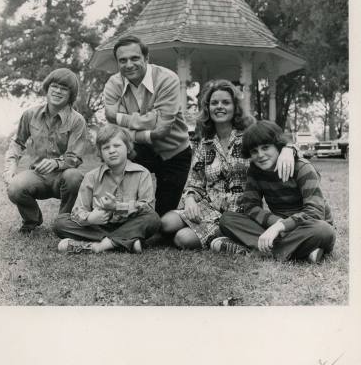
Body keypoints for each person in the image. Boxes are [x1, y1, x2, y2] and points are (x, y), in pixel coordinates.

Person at [160, 80, 296, 250]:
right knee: (166, 223)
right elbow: (195, 181)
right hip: (208, 206)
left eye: (226, 102)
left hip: (239, 211)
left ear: (235, 107)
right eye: (214, 103)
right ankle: (212, 233)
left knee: (182, 239)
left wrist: (288, 149)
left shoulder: (249, 136)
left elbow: (278, 142)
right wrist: (189, 200)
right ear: (208, 108)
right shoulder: (205, 142)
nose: (219, 106)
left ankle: (230, 236)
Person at [214, 120, 335, 263]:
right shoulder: (255, 170)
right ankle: (302, 252)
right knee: (227, 219)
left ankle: (259, 250)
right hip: (279, 224)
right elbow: (250, 206)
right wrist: (276, 223)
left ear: (278, 146)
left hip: (308, 225)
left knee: (324, 230)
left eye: (265, 147)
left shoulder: (302, 167)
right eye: (254, 151)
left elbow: (315, 212)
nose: (260, 155)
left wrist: (281, 226)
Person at [103, 35, 192, 217]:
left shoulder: (167, 79)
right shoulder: (113, 84)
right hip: (139, 150)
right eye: (123, 60)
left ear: (146, 58)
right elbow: (112, 125)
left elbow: (162, 131)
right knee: (116, 157)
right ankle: (123, 216)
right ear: (117, 63)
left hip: (174, 151)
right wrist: (149, 122)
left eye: (135, 58)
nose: (129, 64)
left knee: (163, 220)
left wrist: (122, 119)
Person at [53, 125, 161, 254]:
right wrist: (90, 218)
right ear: (101, 153)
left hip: (130, 223)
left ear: (127, 148)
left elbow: (147, 206)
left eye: (117, 146)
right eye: (106, 147)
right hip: (99, 226)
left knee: (153, 218)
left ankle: (99, 246)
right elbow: (78, 210)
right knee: (60, 222)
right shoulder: (91, 177)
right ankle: (126, 241)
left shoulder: (142, 173)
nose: (112, 151)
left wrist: (118, 207)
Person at [3, 68, 87, 233]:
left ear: (71, 95)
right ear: (47, 88)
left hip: (63, 177)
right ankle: (31, 220)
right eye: (54, 86)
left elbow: (75, 157)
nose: (58, 91)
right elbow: (17, 143)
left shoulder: (78, 121)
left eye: (64, 88)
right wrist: (10, 166)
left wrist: (56, 163)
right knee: (14, 186)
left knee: (75, 177)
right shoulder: (30, 114)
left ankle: (64, 221)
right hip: (37, 175)